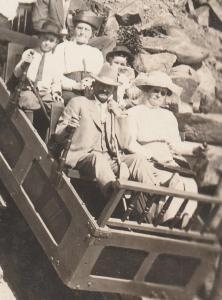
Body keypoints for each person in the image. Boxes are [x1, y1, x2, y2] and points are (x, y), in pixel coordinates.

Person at [55, 63, 156, 197]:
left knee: (138, 159)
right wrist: (69, 128)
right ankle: (114, 194)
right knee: (98, 157)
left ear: (113, 90)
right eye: (102, 85)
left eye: (109, 87)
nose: (105, 90)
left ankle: (154, 195)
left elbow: (124, 143)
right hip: (83, 156)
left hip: (109, 160)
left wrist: (120, 116)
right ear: (94, 85)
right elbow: (58, 135)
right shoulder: (79, 102)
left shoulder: (114, 110)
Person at [118, 71, 201, 227]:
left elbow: (176, 145)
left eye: (163, 93)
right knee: (174, 184)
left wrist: (194, 150)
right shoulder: (133, 113)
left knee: (190, 184)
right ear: (147, 90)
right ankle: (164, 222)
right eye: (155, 90)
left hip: (168, 161)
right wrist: (150, 155)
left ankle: (181, 223)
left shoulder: (168, 116)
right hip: (147, 161)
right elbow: (129, 143)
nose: (158, 95)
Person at [12, 20, 63, 124]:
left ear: (56, 43)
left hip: (45, 94)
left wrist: (56, 93)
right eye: (45, 39)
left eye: (51, 40)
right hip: (29, 89)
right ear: (39, 37)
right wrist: (24, 64)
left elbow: (56, 81)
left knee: (58, 106)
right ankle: (28, 132)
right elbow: (17, 73)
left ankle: (49, 137)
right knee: (28, 100)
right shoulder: (30, 53)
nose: (47, 42)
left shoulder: (56, 61)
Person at [54, 10, 104, 104]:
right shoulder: (63, 47)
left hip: (90, 92)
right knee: (77, 102)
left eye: (87, 29)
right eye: (79, 28)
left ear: (92, 33)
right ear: (73, 29)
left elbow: (99, 77)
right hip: (69, 91)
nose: (82, 32)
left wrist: (91, 81)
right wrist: (74, 85)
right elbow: (55, 75)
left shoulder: (96, 53)